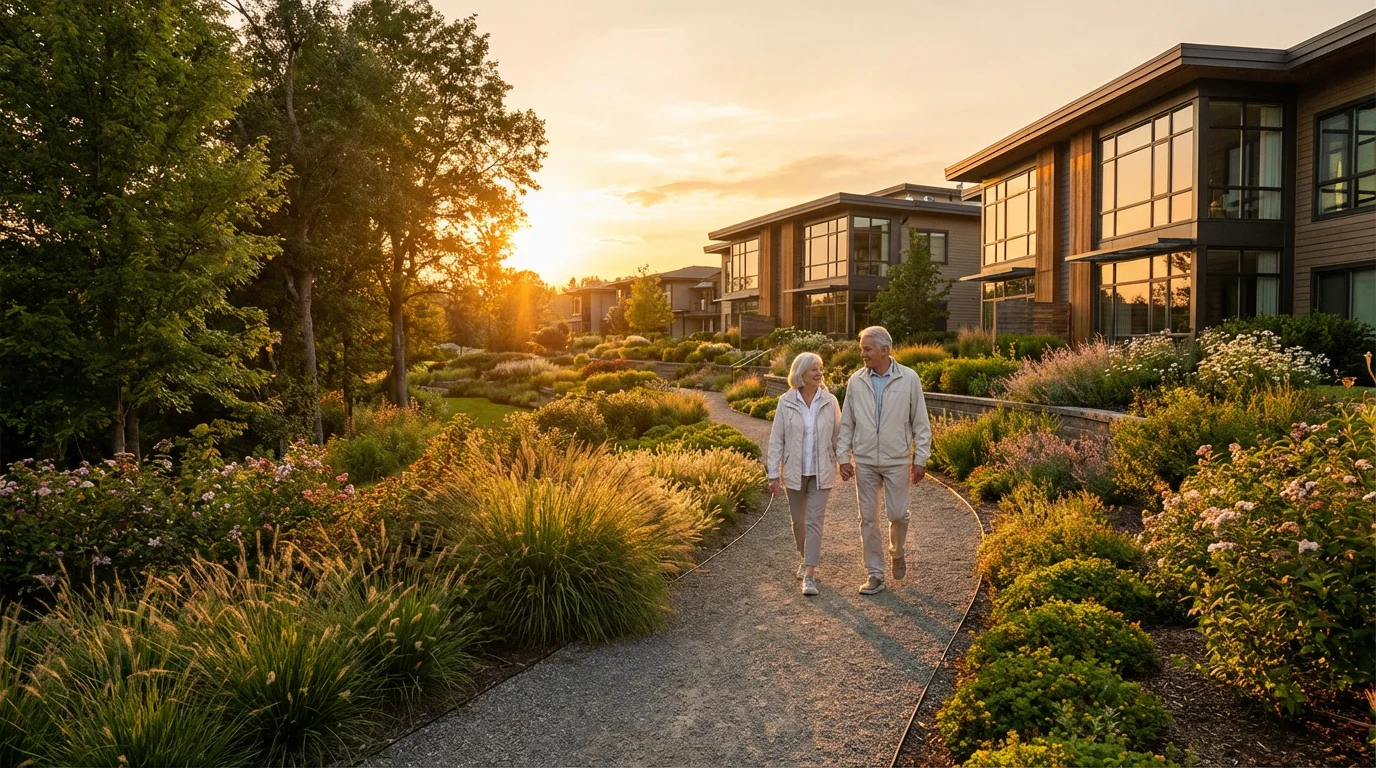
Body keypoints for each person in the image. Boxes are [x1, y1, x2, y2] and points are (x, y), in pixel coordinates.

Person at [835, 326, 932, 596]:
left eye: (867, 349)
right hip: (865, 460)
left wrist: (920, 458)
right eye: (861, 349)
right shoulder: (856, 381)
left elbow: (921, 423)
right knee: (867, 519)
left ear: (885, 350)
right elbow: (847, 423)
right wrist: (844, 457)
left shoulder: (909, 379)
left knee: (899, 514)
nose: (862, 354)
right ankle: (875, 573)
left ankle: (897, 552)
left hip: (896, 459)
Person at [766, 352, 841, 597]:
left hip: (822, 472)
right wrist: (773, 474)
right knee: (799, 522)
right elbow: (777, 439)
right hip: (794, 471)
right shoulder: (786, 402)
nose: (819, 373)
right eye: (814, 369)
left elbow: (838, 436)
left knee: (814, 522)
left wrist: (845, 461)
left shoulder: (830, 401)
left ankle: (809, 575)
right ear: (801, 374)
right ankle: (804, 557)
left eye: (820, 368)